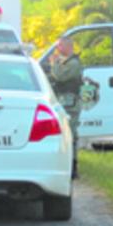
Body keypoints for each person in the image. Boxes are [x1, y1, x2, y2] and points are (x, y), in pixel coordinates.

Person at [46, 36, 83, 178]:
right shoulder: (66, 62)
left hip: (70, 103)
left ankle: (73, 169)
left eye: (60, 46)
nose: (58, 49)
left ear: (68, 47)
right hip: (63, 101)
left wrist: (53, 63)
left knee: (71, 134)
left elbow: (59, 76)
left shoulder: (73, 63)